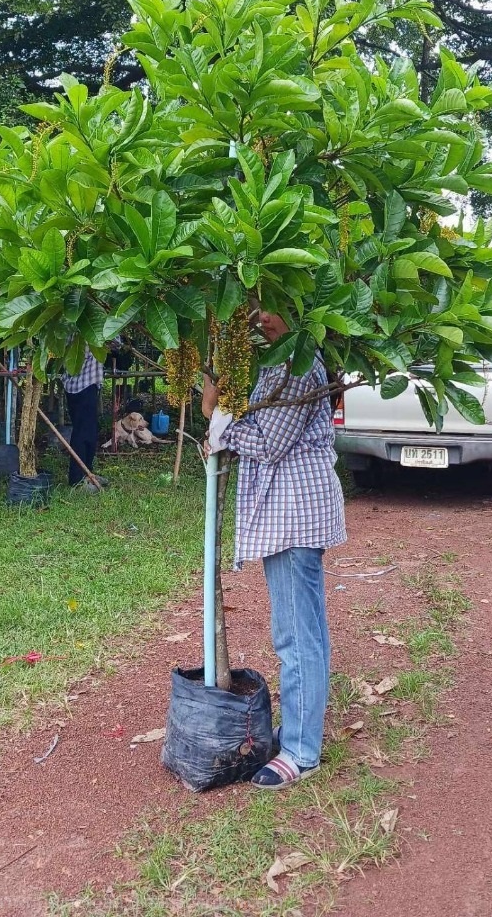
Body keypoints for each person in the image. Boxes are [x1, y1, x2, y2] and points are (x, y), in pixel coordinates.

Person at [202, 309, 346, 791]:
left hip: (295, 514)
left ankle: (302, 752)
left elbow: (268, 443)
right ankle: (302, 731)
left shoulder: (300, 362)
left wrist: (216, 419)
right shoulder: (275, 362)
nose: (262, 319)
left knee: (296, 636)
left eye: (272, 309)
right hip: (285, 513)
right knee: (305, 632)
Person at [62, 344, 118, 491]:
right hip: (82, 386)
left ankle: (87, 473)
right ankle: (77, 480)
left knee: (90, 432)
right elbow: (115, 342)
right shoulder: (84, 331)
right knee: (82, 434)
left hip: (85, 385)